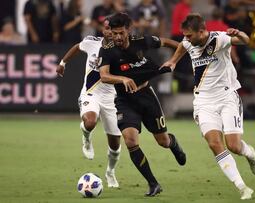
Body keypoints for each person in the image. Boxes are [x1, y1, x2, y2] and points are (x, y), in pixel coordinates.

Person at [162, 13, 255, 200]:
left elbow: (246, 41)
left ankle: (249, 153)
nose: (187, 39)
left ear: (202, 31)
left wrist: (239, 33)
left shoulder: (220, 39)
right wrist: (173, 61)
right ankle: (242, 187)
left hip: (226, 97)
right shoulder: (188, 41)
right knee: (215, 143)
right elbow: (182, 46)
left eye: (190, 35)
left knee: (234, 145)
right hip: (203, 101)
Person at [97, 12, 186, 197]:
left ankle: (173, 143)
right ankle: (153, 184)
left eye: (121, 33)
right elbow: (103, 76)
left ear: (128, 30)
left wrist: (176, 58)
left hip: (146, 96)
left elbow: (168, 42)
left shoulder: (142, 41)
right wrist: (122, 79)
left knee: (162, 141)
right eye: (114, 33)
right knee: (130, 140)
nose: (118, 37)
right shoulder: (107, 48)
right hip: (124, 101)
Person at [56, 19, 121, 188]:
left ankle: (110, 172)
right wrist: (63, 63)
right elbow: (76, 48)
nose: (109, 32)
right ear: (103, 29)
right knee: (90, 121)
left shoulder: (122, 50)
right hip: (90, 93)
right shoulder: (91, 42)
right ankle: (86, 138)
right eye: (107, 28)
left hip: (111, 99)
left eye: (112, 30)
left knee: (115, 145)